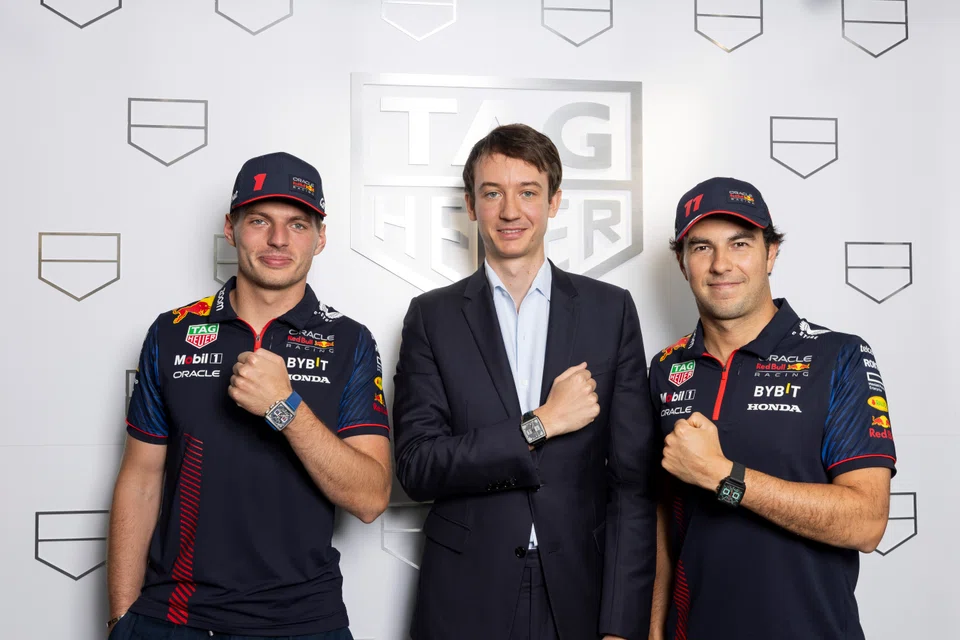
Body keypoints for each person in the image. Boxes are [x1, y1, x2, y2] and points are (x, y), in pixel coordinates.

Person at [106, 152, 392, 639]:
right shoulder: (172, 332)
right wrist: (120, 619)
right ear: (231, 227)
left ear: (320, 238)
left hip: (303, 622)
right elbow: (140, 479)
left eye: (297, 224)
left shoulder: (349, 341)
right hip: (173, 619)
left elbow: (369, 497)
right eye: (260, 221)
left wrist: (285, 408)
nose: (278, 240)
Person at [392, 124, 657, 640]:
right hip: (466, 596)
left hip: (581, 593)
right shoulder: (431, 318)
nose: (510, 211)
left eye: (528, 193)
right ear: (471, 205)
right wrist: (539, 424)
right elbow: (417, 467)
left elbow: (633, 485)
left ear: (554, 201)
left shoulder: (611, 311)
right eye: (492, 193)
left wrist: (622, 623)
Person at [648, 177, 897, 640]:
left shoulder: (837, 356)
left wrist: (725, 476)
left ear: (770, 253)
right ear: (681, 263)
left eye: (739, 243)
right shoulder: (666, 367)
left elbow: (866, 522)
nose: (721, 264)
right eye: (701, 248)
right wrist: (654, 627)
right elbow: (665, 519)